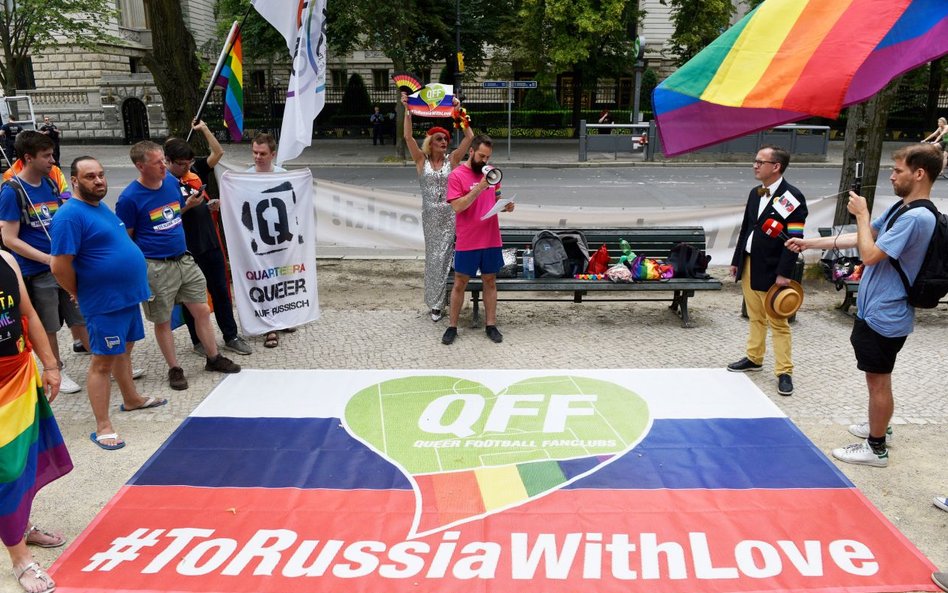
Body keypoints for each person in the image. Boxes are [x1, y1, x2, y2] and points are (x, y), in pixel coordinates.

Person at [786, 143, 940, 467]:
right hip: (878, 308)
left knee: (878, 380)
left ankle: (876, 447)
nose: (891, 175)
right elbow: (862, 237)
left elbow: (869, 254)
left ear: (919, 173)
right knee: (880, 379)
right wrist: (810, 243)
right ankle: (879, 426)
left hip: (887, 312)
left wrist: (863, 213)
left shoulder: (917, 217)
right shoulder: (903, 208)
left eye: (898, 170)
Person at [50, 156, 165, 451]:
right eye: (90, 176)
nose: (99, 181)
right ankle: (103, 426)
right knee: (102, 361)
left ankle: (131, 399)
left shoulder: (99, 207)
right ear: (74, 181)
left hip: (126, 297)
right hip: (104, 302)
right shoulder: (69, 215)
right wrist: (78, 290)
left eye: (101, 175)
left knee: (123, 351)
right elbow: (59, 266)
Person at [116, 141, 241, 391]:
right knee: (162, 321)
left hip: (184, 258)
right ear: (141, 166)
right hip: (156, 266)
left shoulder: (172, 183)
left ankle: (213, 357)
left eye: (164, 160)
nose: (164, 165)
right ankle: (174, 368)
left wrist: (195, 206)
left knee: (202, 310)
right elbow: (125, 239)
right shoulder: (129, 198)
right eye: (158, 162)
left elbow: (174, 214)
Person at [0, 248, 72, 593]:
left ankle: (20, 523)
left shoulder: (7, 260)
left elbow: (26, 313)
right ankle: (19, 557)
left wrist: (51, 364)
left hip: (19, 377)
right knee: (7, 470)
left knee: (27, 459)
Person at [0, 131, 89, 394]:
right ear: (28, 158)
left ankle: (104, 359)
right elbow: (10, 238)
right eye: (46, 156)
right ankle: (56, 368)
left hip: (62, 265)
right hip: (37, 271)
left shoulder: (50, 183)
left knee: (79, 316)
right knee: (49, 324)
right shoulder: (12, 191)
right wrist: (47, 259)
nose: (53, 160)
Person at [165, 121, 252, 357]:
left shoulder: (194, 174)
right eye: (181, 164)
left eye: (189, 163)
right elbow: (163, 218)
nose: (186, 168)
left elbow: (218, 153)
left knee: (221, 291)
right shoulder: (163, 184)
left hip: (210, 242)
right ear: (168, 161)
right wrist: (186, 207)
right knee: (192, 298)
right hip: (187, 248)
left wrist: (203, 129)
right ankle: (198, 341)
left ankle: (231, 335)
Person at [728, 145, 808, 396]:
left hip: (774, 269)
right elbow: (746, 228)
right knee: (755, 315)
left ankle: (784, 371)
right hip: (750, 261)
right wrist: (737, 259)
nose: (755, 165)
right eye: (755, 161)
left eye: (760, 162)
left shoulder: (793, 198)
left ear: (776, 167)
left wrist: (784, 273)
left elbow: (795, 239)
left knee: (779, 321)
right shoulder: (755, 193)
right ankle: (754, 357)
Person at [402, 93, 474, 321]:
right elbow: (407, 136)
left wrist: (459, 111)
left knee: (449, 258)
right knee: (434, 259)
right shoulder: (420, 161)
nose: (444, 142)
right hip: (431, 218)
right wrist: (407, 110)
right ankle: (435, 303)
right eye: (439, 139)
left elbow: (469, 136)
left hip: (452, 216)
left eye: (445, 139)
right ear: (430, 143)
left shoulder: (452, 160)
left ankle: (446, 301)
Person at [442, 134, 514, 345]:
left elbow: (496, 198)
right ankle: (452, 326)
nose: (485, 161)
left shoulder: (493, 174)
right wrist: (479, 187)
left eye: (488, 157)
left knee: (490, 281)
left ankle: (490, 325)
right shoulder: (457, 176)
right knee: (459, 283)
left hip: (491, 237)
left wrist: (506, 206)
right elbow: (458, 206)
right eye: (482, 156)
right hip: (468, 239)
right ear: (471, 152)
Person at [246, 132, 295, 348]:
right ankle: (269, 328)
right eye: (255, 152)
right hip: (259, 241)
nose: (257, 157)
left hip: (281, 240)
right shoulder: (245, 177)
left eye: (262, 153)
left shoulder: (283, 175)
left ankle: (281, 317)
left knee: (282, 280)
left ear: (273, 154)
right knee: (264, 281)